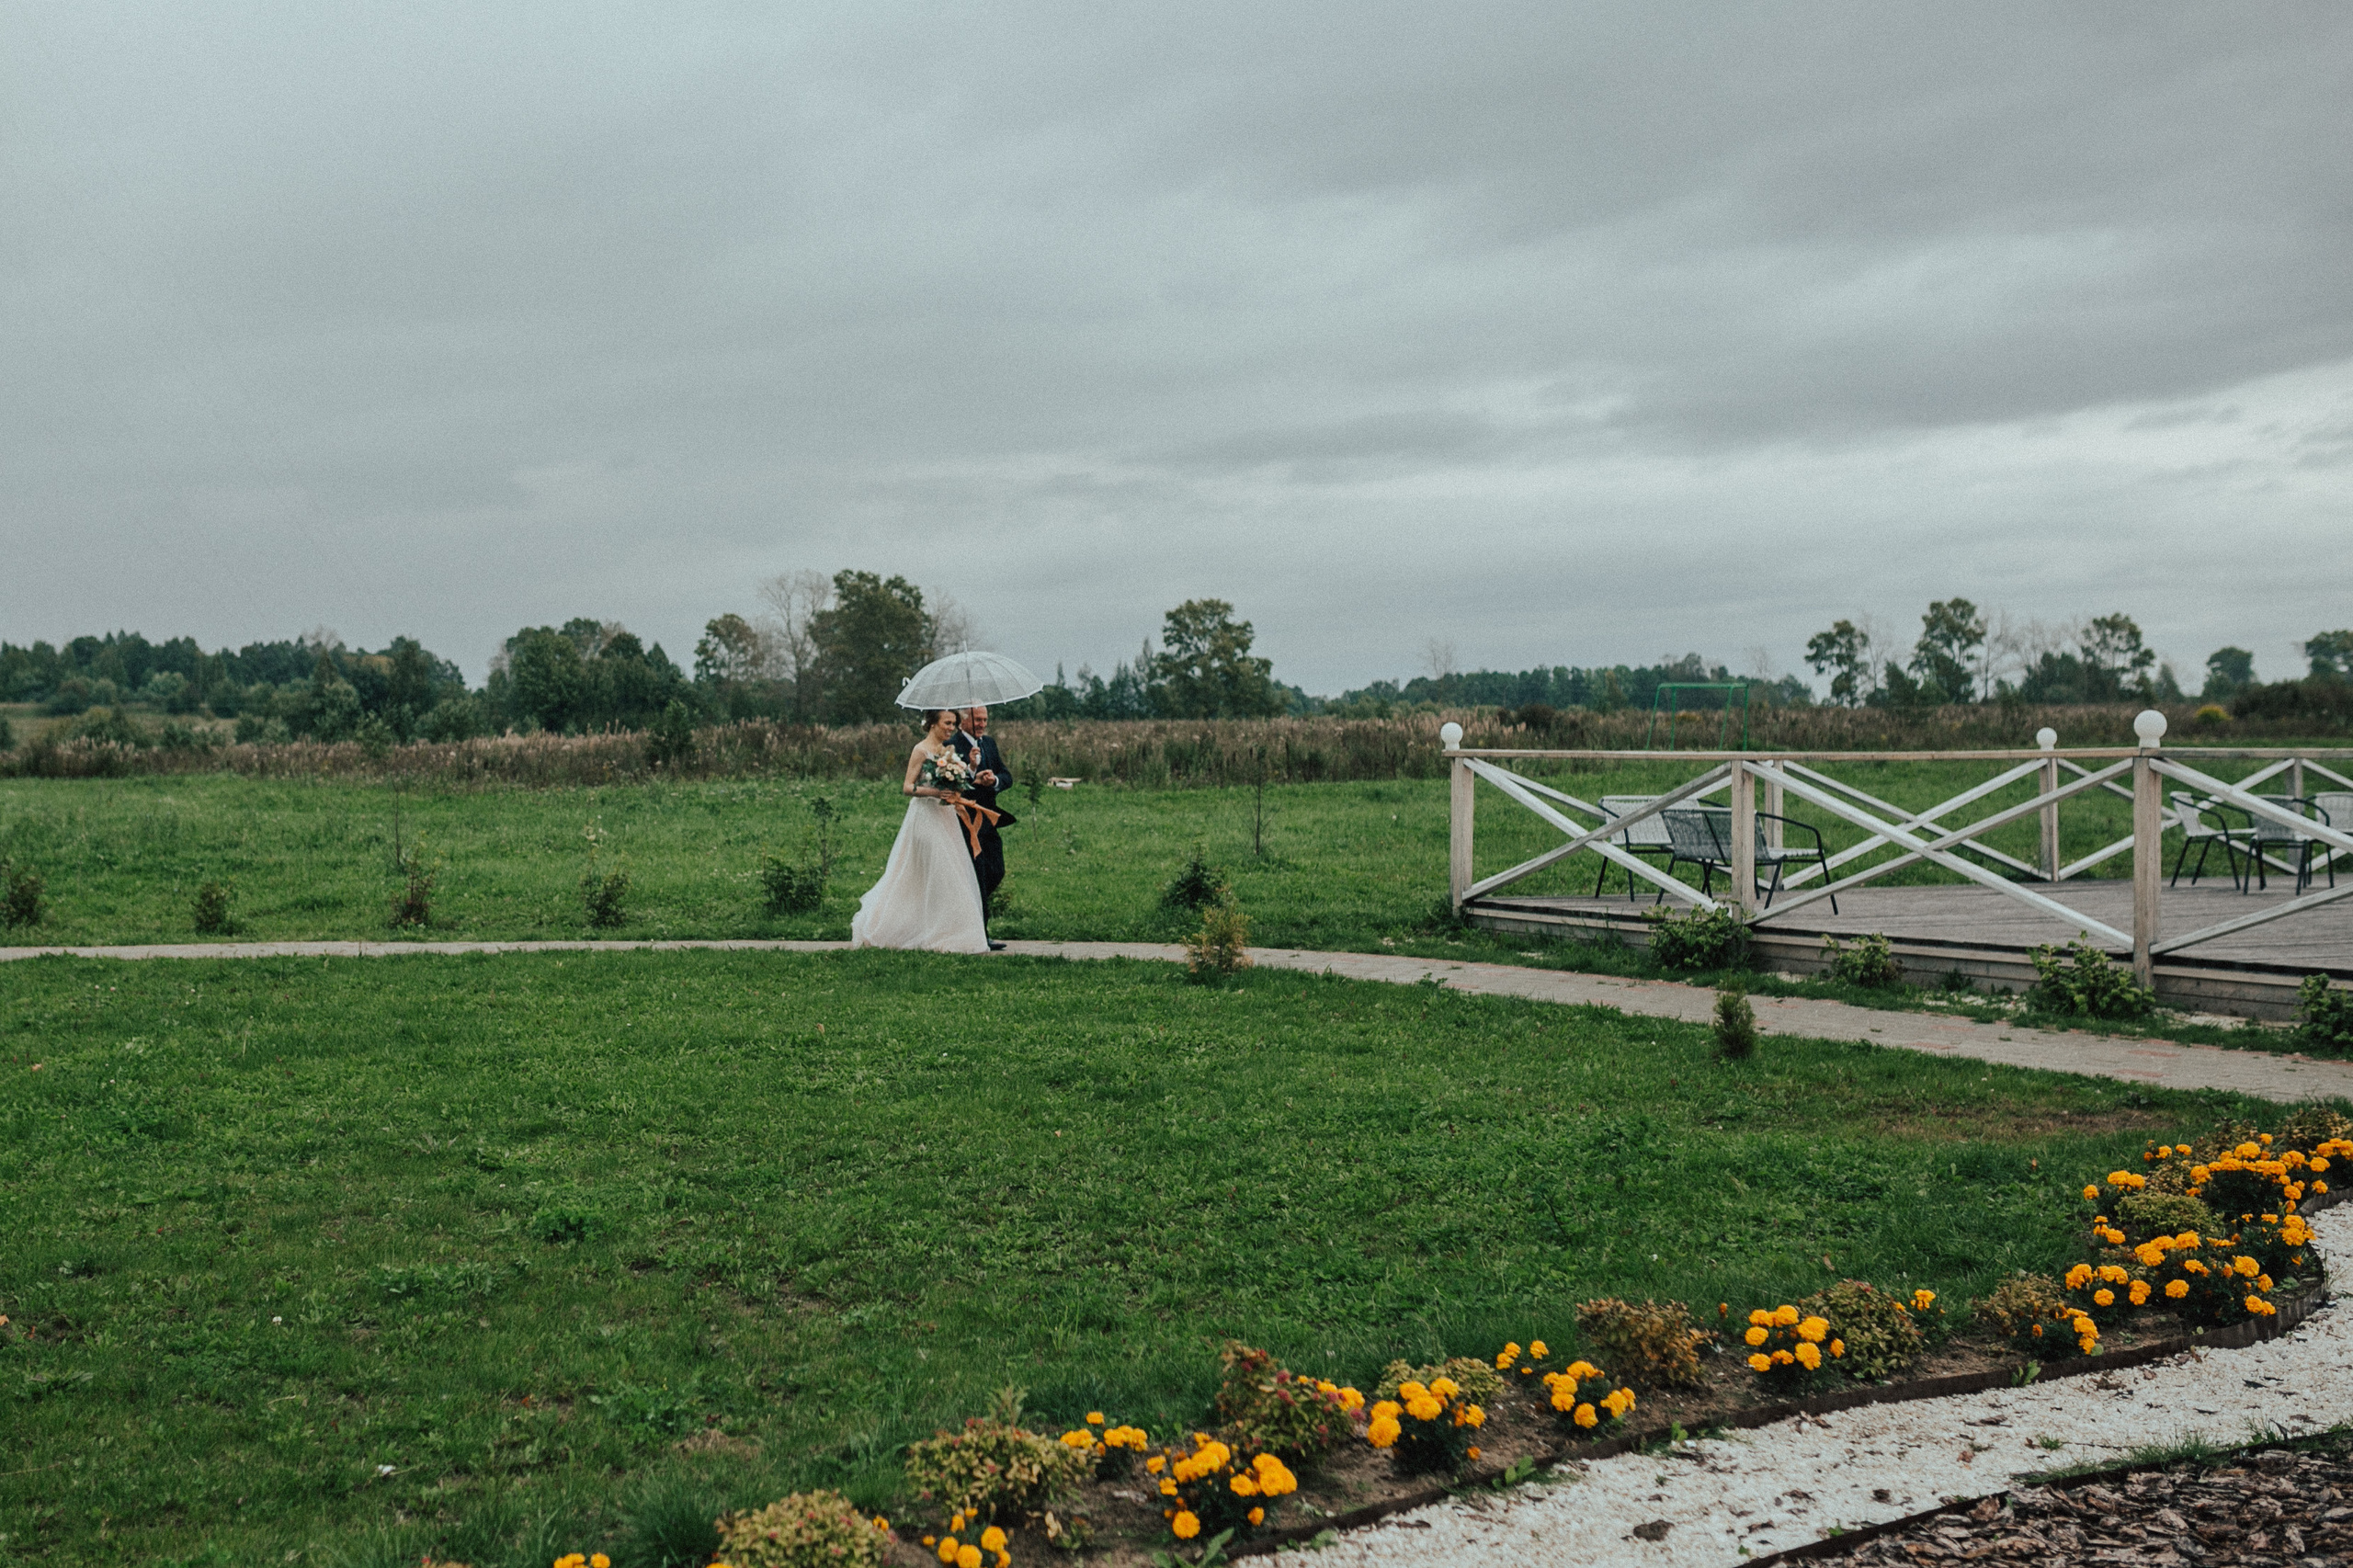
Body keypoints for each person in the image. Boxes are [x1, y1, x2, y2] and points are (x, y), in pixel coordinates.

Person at [848, 708, 990, 953]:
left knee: (951, 872)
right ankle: (895, 927)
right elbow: (907, 787)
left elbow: (958, 782)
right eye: (947, 723)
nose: (951, 728)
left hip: (946, 816)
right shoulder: (921, 750)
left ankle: (949, 930)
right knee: (931, 871)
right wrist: (935, 793)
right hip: (925, 817)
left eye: (954, 724)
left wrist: (971, 768)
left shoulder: (949, 751)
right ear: (932, 723)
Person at [955, 704, 1017, 948]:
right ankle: (980, 934)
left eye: (985, 720)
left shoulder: (989, 744)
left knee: (996, 870)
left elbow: (1007, 775)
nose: (982, 724)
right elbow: (951, 782)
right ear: (963, 720)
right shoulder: (953, 744)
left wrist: (995, 781)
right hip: (966, 820)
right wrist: (973, 776)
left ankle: (967, 909)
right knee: (977, 874)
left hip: (989, 819)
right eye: (977, 719)